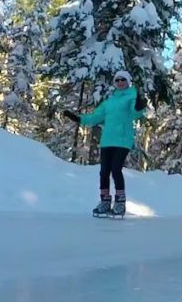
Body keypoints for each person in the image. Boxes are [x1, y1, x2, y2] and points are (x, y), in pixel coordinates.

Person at [62, 70, 147, 216]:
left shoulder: (132, 96)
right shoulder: (109, 101)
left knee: (116, 169)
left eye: (123, 80)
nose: (120, 82)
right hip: (107, 140)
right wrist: (78, 119)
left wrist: (139, 106)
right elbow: (95, 117)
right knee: (104, 172)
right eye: (117, 80)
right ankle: (105, 201)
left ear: (128, 82)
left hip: (122, 140)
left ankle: (120, 203)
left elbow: (135, 113)